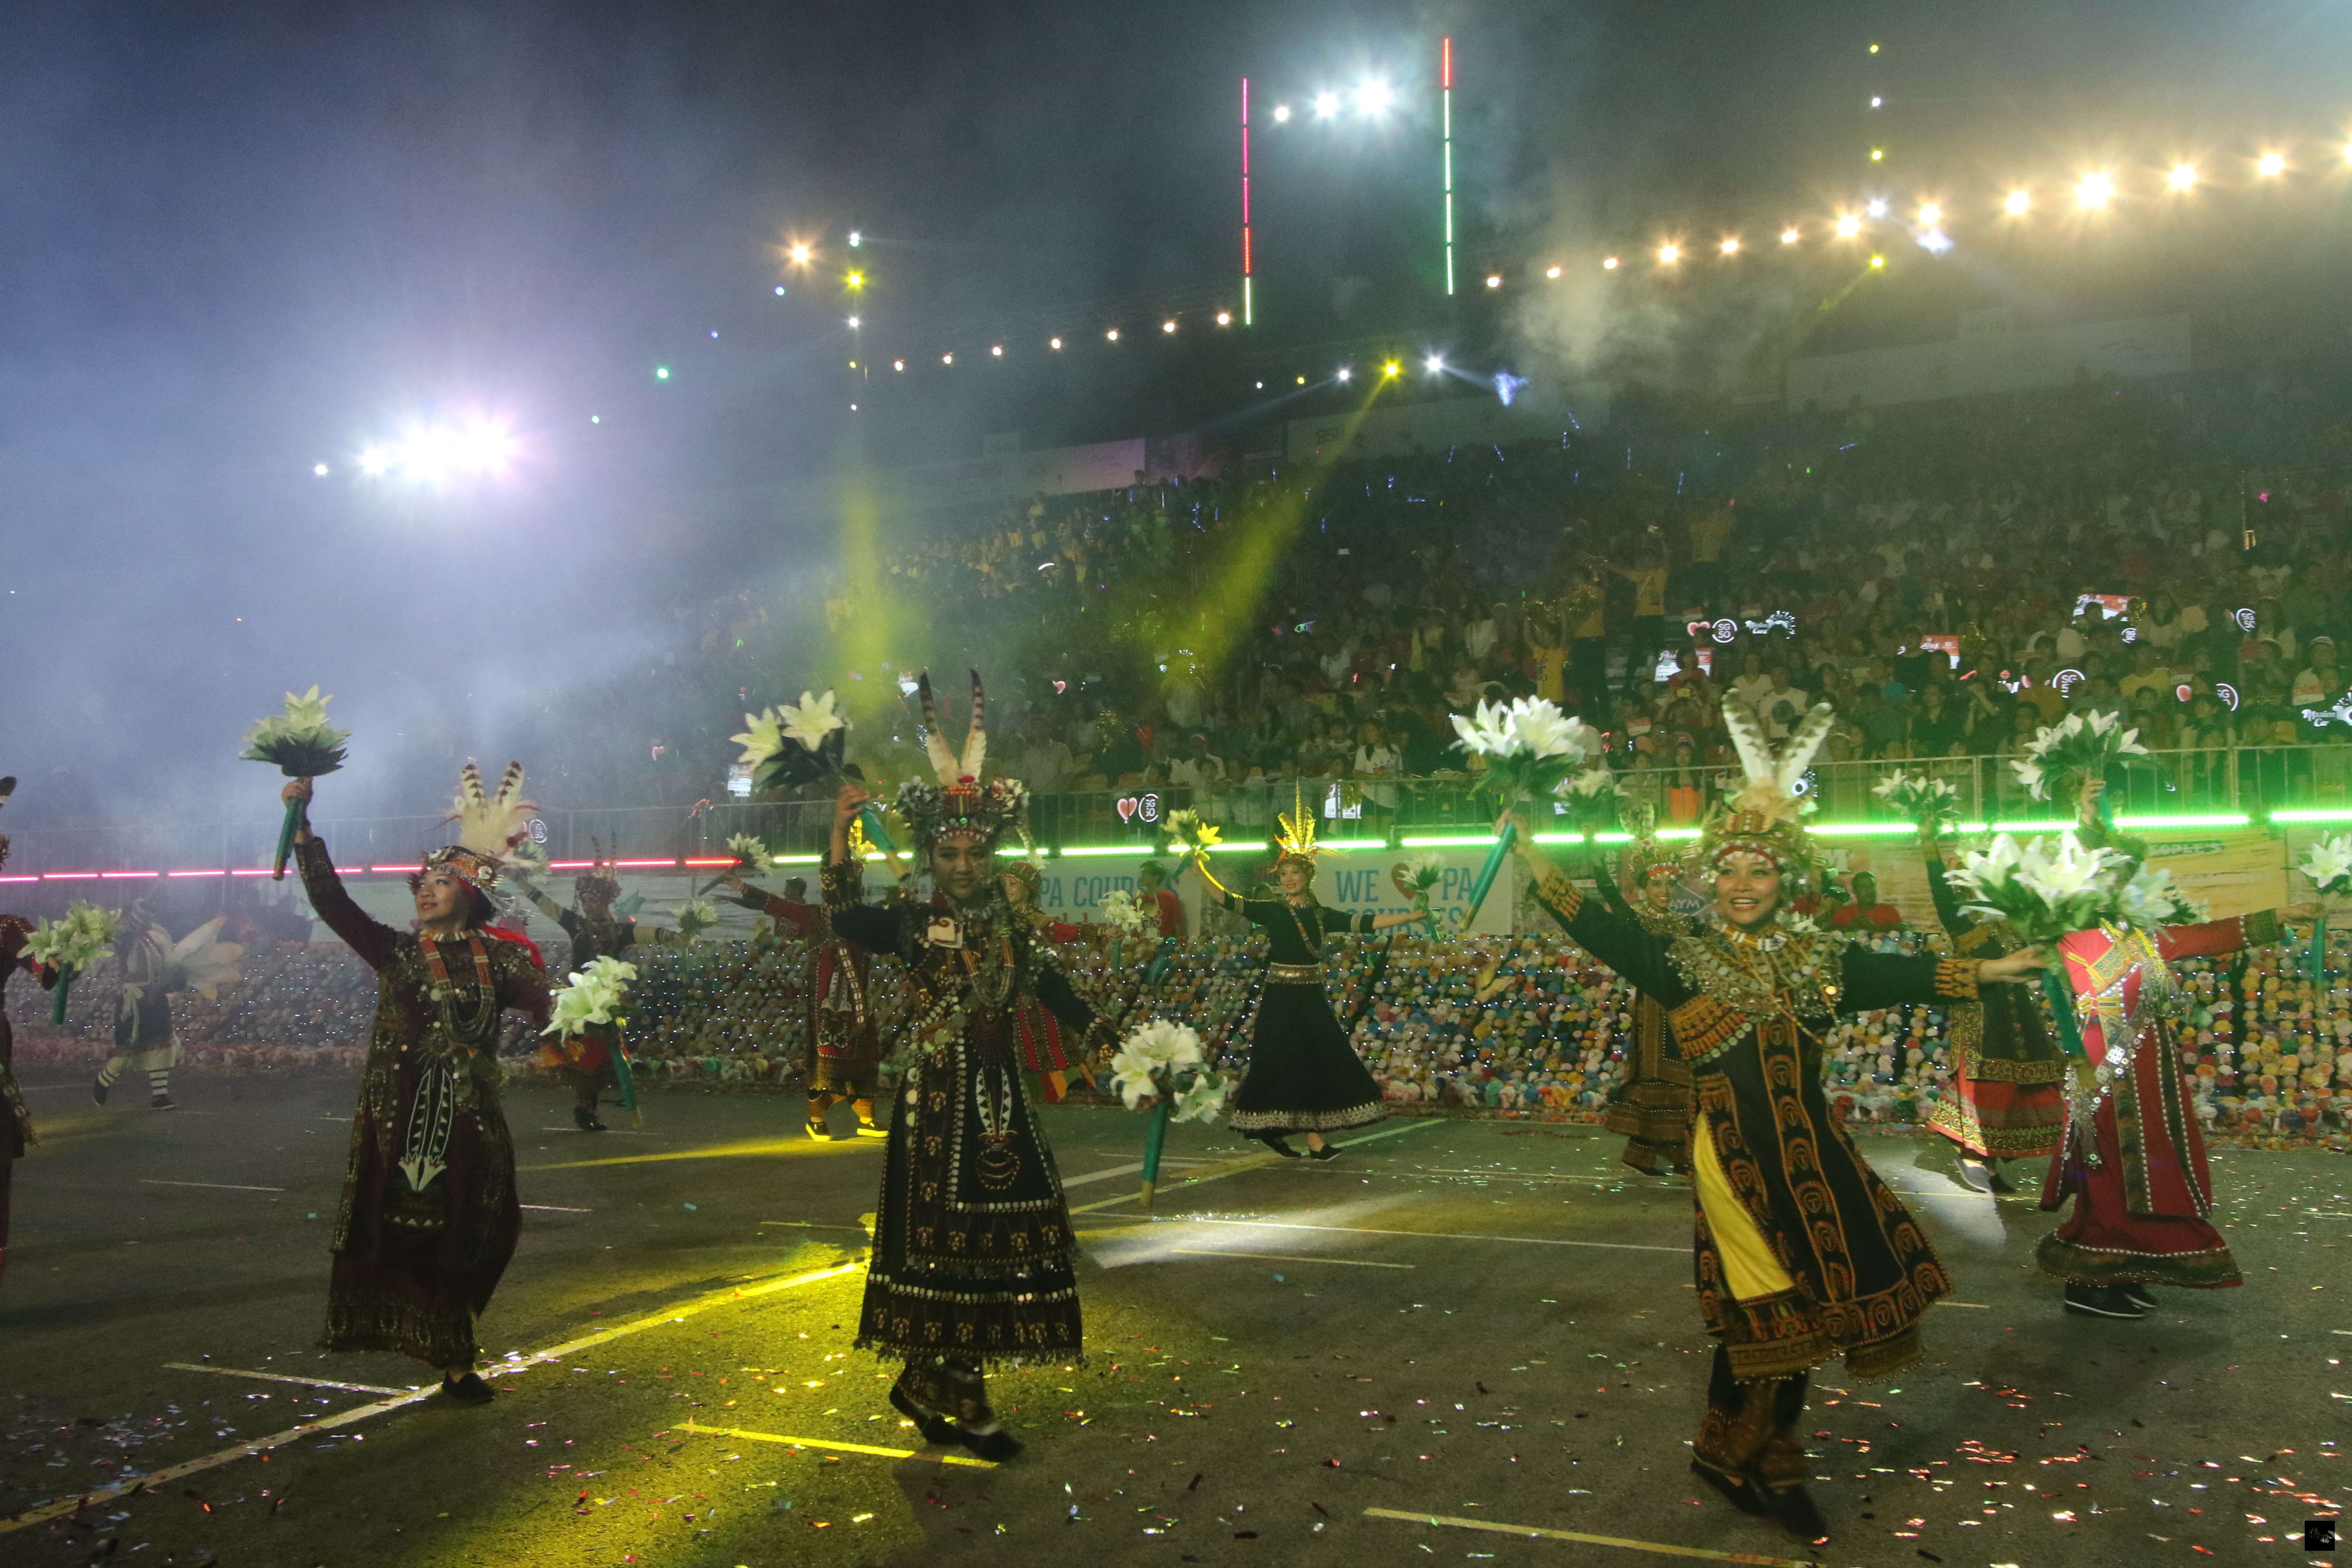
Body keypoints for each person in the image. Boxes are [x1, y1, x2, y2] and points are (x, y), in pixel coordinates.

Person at [1513, 700, 2043, 1546]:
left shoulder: (1822, 963)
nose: (1743, 886)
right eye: (1729, 873)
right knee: (1775, 1314)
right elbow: (1599, 925)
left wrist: (2000, 966)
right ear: (1712, 880)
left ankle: (1736, 1454)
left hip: (1815, 1156)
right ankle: (1764, 1462)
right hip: (1732, 1157)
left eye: (1759, 873)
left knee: (1810, 1310)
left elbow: (1911, 973)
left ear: (1782, 881)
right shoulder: (1683, 960)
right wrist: (1534, 846)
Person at [821, 672, 1110, 1463]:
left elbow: (1048, 984)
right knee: (945, 1248)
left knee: (997, 1249)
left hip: (1001, 1099)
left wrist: (1101, 1032)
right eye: (946, 852)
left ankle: (932, 1381)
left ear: (990, 851)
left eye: (972, 851)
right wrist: (839, 829)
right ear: (930, 854)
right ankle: (960, 1395)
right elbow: (843, 913)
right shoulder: (913, 922)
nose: (959, 863)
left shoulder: (1010, 924)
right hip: (935, 1105)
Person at [284, 763, 551, 1405]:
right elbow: (333, 903)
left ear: (468, 892)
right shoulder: (397, 953)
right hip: (404, 1121)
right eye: (422, 882)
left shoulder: (504, 959)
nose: (425, 891)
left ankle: (454, 1344)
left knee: (477, 1226)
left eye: (440, 881)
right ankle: (456, 1362)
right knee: (415, 1227)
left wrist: (582, 1013)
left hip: (472, 1115)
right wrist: (302, 826)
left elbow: (552, 1010)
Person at [2034, 781, 2310, 1319]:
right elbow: (2076, 874)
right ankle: (2090, 1281)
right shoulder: (2075, 933)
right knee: (2114, 1169)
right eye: (2114, 876)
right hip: (2106, 1070)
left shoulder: (2143, 936)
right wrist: (2088, 819)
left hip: (2147, 1069)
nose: (2126, 884)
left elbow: (2210, 936)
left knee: (2143, 1172)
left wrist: (2280, 918)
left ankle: (2120, 1271)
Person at [1193, 789, 1425, 1159]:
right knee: (1284, 1063)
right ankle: (1300, 1137)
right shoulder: (1271, 911)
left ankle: (1308, 1137)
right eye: (1283, 873)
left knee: (1322, 1059)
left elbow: (1366, 922)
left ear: (1307, 876)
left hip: (1312, 997)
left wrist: (1409, 917)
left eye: (1294, 873)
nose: (1287, 879)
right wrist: (1198, 869)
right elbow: (1227, 899)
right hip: (1281, 999)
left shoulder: (1322, 915)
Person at [1920, 828, 2066, 1193]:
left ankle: (1990, 1161)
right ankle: (1973, 1155)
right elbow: (1941, 891)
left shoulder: (2009, 920)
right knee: (1988, 1084)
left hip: (2018, 1011)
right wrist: (1929, 844)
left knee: (2024, 1081)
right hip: (1983, 1015)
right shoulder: (1962, 919)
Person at [511, 848, 690, 1131]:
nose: (586, 905)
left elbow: (648, 933)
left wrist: (673, 937)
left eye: (592, 900)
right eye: (584, 900)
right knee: (587, 1053)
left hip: (606, 1000)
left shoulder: (619, 931)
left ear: (606, 901)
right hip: (580, 1000)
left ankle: (595, 1103)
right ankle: (585, 1108)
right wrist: (521, 882)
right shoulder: (576, 925)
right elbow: (545, 904)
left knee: (603, 1051)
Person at [724, 864, 888, 1139]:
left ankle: (866, 1119)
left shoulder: (864, 920)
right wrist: (741, 887)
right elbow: (777, 906)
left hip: (860, 1001)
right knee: (829, 1058)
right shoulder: (816, 915)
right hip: (827, 1005)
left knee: (865, 1056)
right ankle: (816, 1118)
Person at [1581, 832, 1694, 1176]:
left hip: (1680, 1008)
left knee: (1682, 1081)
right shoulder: (1637, 921)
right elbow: (1613, 898)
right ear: (1644, 888)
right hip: (1652, 1010)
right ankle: (1645, 1154)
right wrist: (1596, 859)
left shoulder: (1687, 923)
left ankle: (1676, 1154)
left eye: (1669, 885)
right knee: (1653, 1078)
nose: (1664, 891)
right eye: (1656, 884)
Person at [92, 903, 181, 1110]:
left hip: (156, 998)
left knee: (162, 1046)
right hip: (133, 1002)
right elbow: (130, 931)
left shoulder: (154, 940)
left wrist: (175, 980)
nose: (149, 920)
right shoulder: (125, 939)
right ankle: (104, 1080)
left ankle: (160, 1096)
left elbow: (163, 969)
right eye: (145, 915)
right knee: (127, 1050)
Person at [1825, 871, 1903, 932]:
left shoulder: (1888, 911)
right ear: (1855, 891)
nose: (1870, 891)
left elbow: (1902, 929)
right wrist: (1851, 926)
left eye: (1872, 886)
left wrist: (1872, 927)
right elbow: (1829, 930)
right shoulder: (1845, 912)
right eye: (1864, 887)